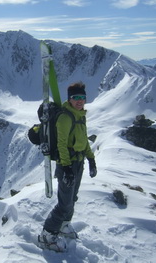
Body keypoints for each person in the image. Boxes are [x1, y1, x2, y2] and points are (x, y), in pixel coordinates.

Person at [38, 81, 97, 252]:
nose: (79, 100)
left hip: (78, 163)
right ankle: (47, 234)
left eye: (82, 97)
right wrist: (67, 168)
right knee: (64, 203)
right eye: (75, 97)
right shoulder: (65, 117)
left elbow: (83, 140)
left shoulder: (80, 115)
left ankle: (63, 225)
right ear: (69, 99)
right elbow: (62, 145)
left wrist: (91, 159)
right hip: (67, 164)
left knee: (72, 199)